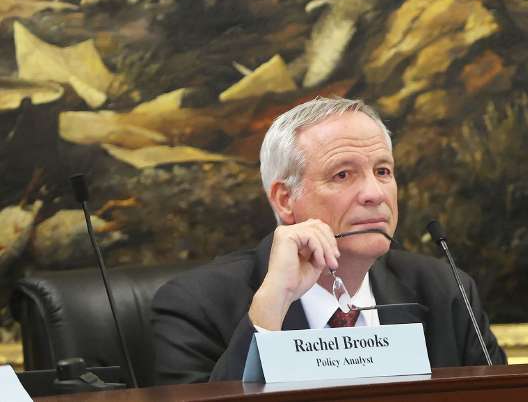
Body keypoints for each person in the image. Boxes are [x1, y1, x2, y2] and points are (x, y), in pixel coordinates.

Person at [151, 97, 506, 384]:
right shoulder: (197, 305)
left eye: (383, 171)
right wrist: (270, 310)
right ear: (285, 200)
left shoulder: (446, 291)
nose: (374, 194)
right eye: (343, 175)